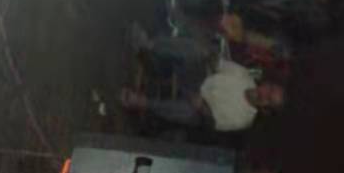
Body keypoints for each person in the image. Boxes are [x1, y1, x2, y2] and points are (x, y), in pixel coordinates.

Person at [120, 56, 283, 131]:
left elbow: (214, 123)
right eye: (269, 90)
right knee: (196, 50)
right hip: (200, 78)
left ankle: (140, 102)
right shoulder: (245, 76)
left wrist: (202, 106)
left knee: (188, 112)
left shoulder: (245, 119)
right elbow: (217, 62)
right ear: (267, 84)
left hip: (200, 106)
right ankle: (150, 48)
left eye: (269, 100)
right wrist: (209, 63)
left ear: (266, 109)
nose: (265, 95)